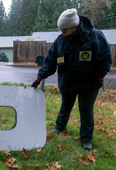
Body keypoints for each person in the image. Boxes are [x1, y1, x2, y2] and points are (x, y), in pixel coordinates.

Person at [31, 8, 112, 150]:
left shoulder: (94, 36)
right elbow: (50, 61)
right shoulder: (60, 41)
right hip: (68, 81)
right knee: (65, 106)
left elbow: (105, 59)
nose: (62, 33)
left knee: (86, 109)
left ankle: (86, 139)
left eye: (65, 30)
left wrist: (100, 77)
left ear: (74, 26)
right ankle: (59, 126)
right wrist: (39, 77)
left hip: (89, 83)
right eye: (60, 30)